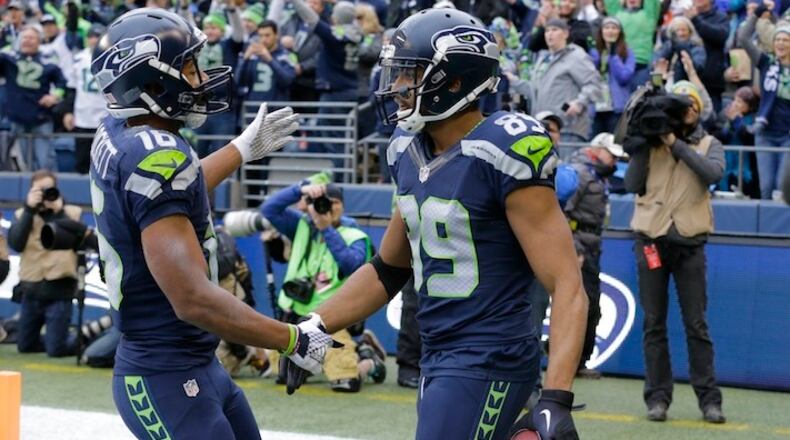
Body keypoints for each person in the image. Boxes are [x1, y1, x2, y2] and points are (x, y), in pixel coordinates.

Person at [283, 9, 588, 440]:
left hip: (489, 355)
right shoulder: (405, 147)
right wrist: (313, 326)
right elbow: (389, 268)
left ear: (456, 79)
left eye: (410, 73)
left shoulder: (505, 146)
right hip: (439, 353)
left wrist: (556, 397)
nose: (398, 86)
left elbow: (567, 283)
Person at [88, 9, 319, 439]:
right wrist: (291, 338)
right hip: (164, 373)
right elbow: (193, 298)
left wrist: (240, 149)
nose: (199, 77)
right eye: (188, 66)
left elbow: (172, 191)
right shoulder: (157, 156)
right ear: (154, 82)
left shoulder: (122, 131)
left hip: (193, 362)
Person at [624, 80, 726, 424]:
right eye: (681, 106)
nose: (686, 112)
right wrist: (643, 143)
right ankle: (657, 399)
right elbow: (631, 184)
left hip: (690, 245)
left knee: (696, 324)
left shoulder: (711, 144)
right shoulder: (649, 144)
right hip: (650, 240)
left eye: (691, 106)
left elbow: (711, 174)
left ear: (697, 112)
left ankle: (710, 401)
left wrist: (675, 144)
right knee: (653, 324)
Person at [261, 182, 384, 392]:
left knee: (346, 382)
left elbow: (351, 266)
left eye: (333, 203)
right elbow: (269, 209)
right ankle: (315, 362)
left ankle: (370, 362)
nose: (327, 207)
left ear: (343, 206)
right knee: (284, 376)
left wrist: (326, 228)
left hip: (331, 320)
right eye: (321, 202)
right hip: (296, 316)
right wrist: (300, 190)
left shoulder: (355, 236)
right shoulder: (302, 225)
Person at [562, 132, 627, 379]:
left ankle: (578, 361)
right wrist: (574, 249)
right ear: (597, 149)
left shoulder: (596, 176)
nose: (614, 162)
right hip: (579, 246)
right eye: (611, 155)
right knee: (581, 306)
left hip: (590, 245)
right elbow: (563, 212)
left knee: (590, 306)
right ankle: (570, 361)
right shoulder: (580, 174)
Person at [8, 170, 80, 357]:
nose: (44, 194)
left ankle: (85, 338)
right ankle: (56, 339)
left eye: (49, 189)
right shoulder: (21, 215)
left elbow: (74, 238)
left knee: (57, 350)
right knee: (25, 346)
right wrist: (29, 209)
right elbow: (16, 244)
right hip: (31, 292)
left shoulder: (71, 213)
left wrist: (59, 212)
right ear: (31, 191)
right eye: (39, 190)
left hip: (59, 292)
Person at [737, 7, 790, 200]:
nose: (780, 43)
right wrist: (756, 14)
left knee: (781, 189)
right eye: (777, 39)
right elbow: (743, 38)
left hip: (788, 135)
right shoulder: (767, 63)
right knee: (767, 188)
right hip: (765, 133)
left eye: (785, 39)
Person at [0, 25, 67, 170]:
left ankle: (49, 192)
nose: (27, 41)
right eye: (24, 37)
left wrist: (55, 96)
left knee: (45, 162)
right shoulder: (9, 58)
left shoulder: (48, 60)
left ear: (39, 41)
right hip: (17, 120)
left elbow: (62, 83)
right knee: (25, 162)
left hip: (41, 118)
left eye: (31, 37)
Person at [526, 18, 602, 143]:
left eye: (554, 30)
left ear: (566, 34)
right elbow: (534, 89)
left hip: (568, 128)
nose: (550, 34)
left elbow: (594, 83)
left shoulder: (576, 55)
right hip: (542, 127)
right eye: (547, 30)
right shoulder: (543, 59)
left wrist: (579, 103)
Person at [62, 23, 107, 174]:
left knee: (104, 164)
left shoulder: (112, 58)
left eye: (98, 36)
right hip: (83, 116)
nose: (95, 40)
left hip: (106, 117)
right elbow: (72, 88)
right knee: (82, 162)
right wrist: (68, 112)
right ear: (87, 39)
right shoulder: (78, 58)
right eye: (92, 36)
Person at [590, 16, 636, 135]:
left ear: (620, 32)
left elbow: (624, 77)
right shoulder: (594, 52)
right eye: (607, 27)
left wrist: (614, 56)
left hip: (616, 109)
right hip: (597, 107)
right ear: (601, 31)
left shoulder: (627, 53)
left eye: (614, 28)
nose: (610, 31)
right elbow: (587, 75)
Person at [236, 20, 298, 104]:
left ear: (276, 35)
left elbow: (288, 81)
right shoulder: (252, 56)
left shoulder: (286, 55)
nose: (264, 39)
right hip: (253, 108)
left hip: (276, 109)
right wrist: (245, 59)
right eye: (260, 36)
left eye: (267, 35)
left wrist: (270, 60)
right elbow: (238, 82)